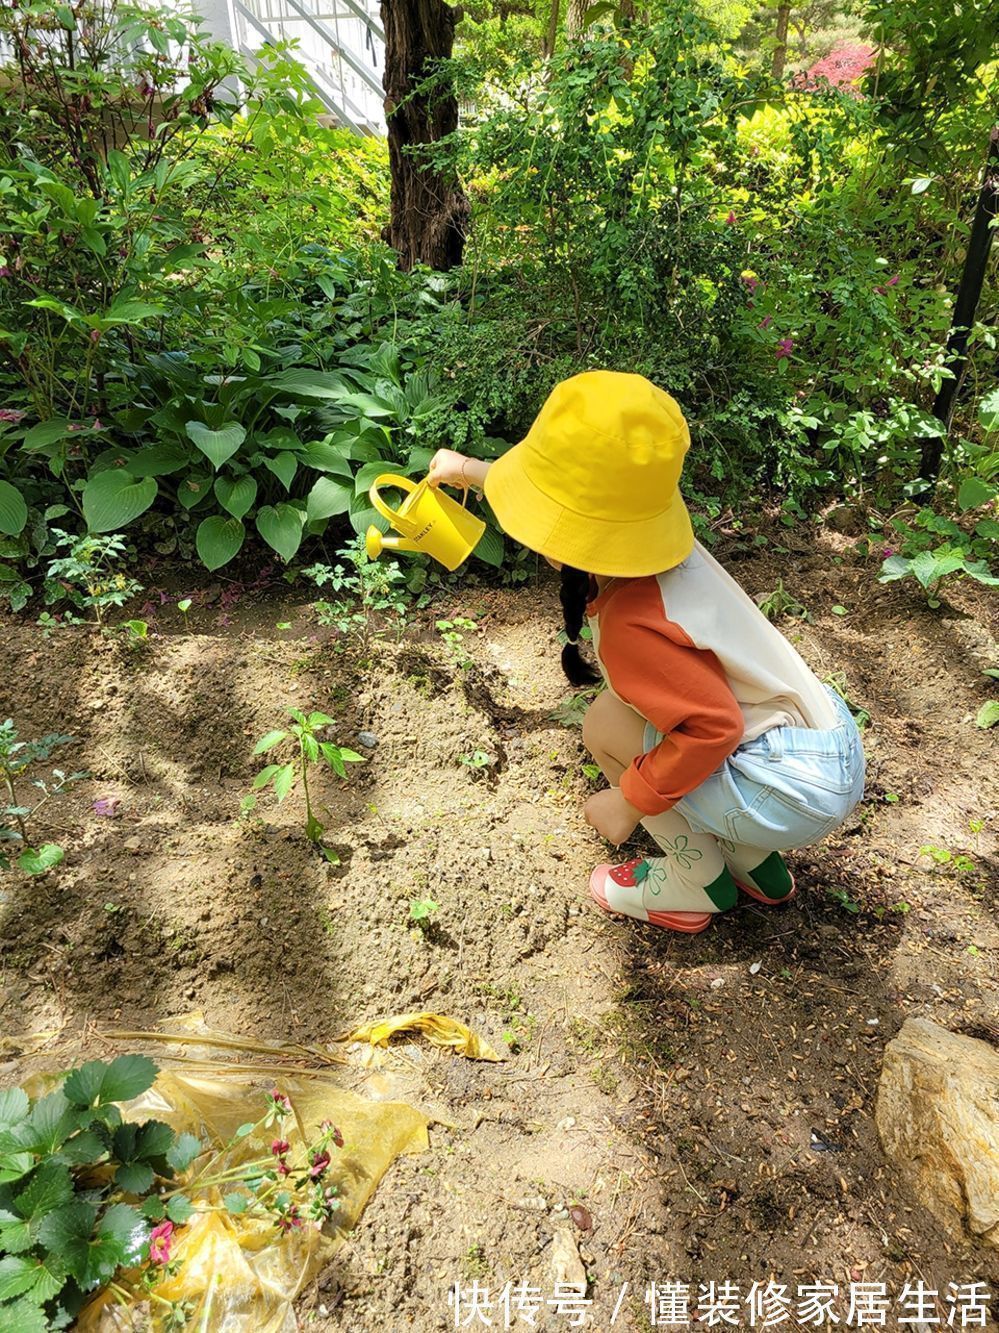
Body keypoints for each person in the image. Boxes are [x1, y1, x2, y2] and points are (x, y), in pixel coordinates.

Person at [427, 371, 865, 934]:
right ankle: (756, 865)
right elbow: (579, 496)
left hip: (792, 792)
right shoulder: (656, 543)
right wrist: (467, 470)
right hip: (822, 744)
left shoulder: (632, 624)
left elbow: (713, 728)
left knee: (608, 723)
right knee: (643, 711)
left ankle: (696, 882)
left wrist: (628, 802)